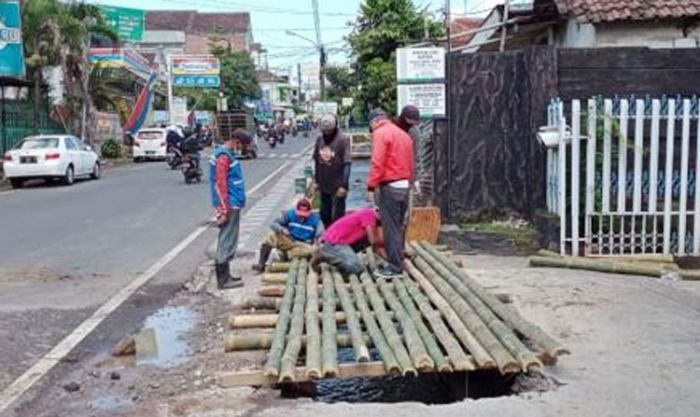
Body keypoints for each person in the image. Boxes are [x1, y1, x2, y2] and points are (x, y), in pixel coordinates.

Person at [367, 108, 414, 278]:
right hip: (404, 186)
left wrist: (371, 187)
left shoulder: (381, 133)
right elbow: (410, 164)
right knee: (399, 226)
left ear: (373, 122)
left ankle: (395, 267)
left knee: (391, 228)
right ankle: (398, 259)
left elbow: (377, 163)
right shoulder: (403, 135)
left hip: (390, 187)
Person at [210, 128, 251, 290]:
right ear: (237, 142)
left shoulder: (229, 155)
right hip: (229, 204)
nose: (243, 149)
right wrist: (223, 209)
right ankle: (223, 279)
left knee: (230, 238)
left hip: (233, 203)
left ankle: (226, 275)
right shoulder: (223, 157)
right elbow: (220, 184)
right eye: (243, 145)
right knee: (226, 239)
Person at [252, 198, 323, 273]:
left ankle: (286, 254)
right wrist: (282, 229)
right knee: (271, 237)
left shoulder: (316, 219)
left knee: (313, 250)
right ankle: (261, 264)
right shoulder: (290, 214)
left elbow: (321, 231)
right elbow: (273, 224)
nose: (302, 218)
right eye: (300, 215)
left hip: (303, 244)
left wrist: (318, 238)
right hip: (289, 239)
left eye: (304, 215)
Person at [312, 208, 381, 276]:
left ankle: (334, 255)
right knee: (356, 267)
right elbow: (373, 241)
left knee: (367, 240)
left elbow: (378, 246)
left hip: (343, 242)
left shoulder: (375, 220)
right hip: (334, 242)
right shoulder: (369, 214)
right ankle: (325, 254)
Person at [313, 113, 351, 228]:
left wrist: (344, 185)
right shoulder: (320, 140)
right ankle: (328, 236)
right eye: (325, 131)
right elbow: (316, 161)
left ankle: (337, 239)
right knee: (324, 214)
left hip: (337, 184)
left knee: (338, 215)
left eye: (329, 131)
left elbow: (347, 164)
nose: (327, 133)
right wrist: (316, 181)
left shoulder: (342, 140)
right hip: (324, 183)